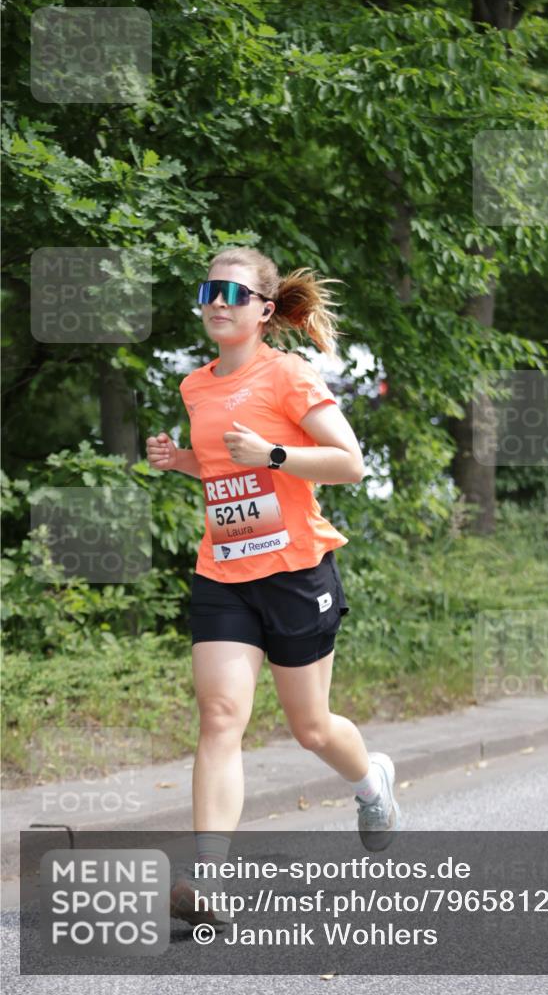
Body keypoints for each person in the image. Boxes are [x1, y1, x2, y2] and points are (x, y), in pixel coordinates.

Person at [146, 246, 401, 929]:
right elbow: (227, 469)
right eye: (209, 290)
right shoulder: (196, 386)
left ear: (262, 309)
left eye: (233, 292)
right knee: (220, 717)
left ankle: (370, 779)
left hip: (294, 572)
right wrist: (183, 463)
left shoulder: (287, 375)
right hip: (223, 571)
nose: (218, 302)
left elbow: (348, 462)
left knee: (310, 728)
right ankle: (211, 882)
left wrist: (276, 455)